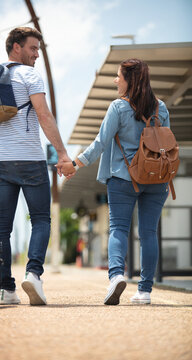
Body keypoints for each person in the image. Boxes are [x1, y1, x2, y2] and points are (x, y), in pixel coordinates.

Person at [56, 58, 170, 305]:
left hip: (123, 177)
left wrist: (74, 165)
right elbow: (166, 146)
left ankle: (117, 275)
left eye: (119, 76)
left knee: (119, 228)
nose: (115, 80)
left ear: (130, 80)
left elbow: (100, 143)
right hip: (157, 179)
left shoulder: (119, 107)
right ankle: (145, 291)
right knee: (149, 233)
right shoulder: (161, 108)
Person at [0, 27, 71, 306]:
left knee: (2, 227)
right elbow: (43, 114)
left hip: (1, 163)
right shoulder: (29, 75)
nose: (37, 55)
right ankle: (34, 274)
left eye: (38, 50)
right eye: (32, 48)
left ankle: (7, 289)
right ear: (16, 47)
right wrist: (62, 153)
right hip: (30, 161)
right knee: (41, 220)